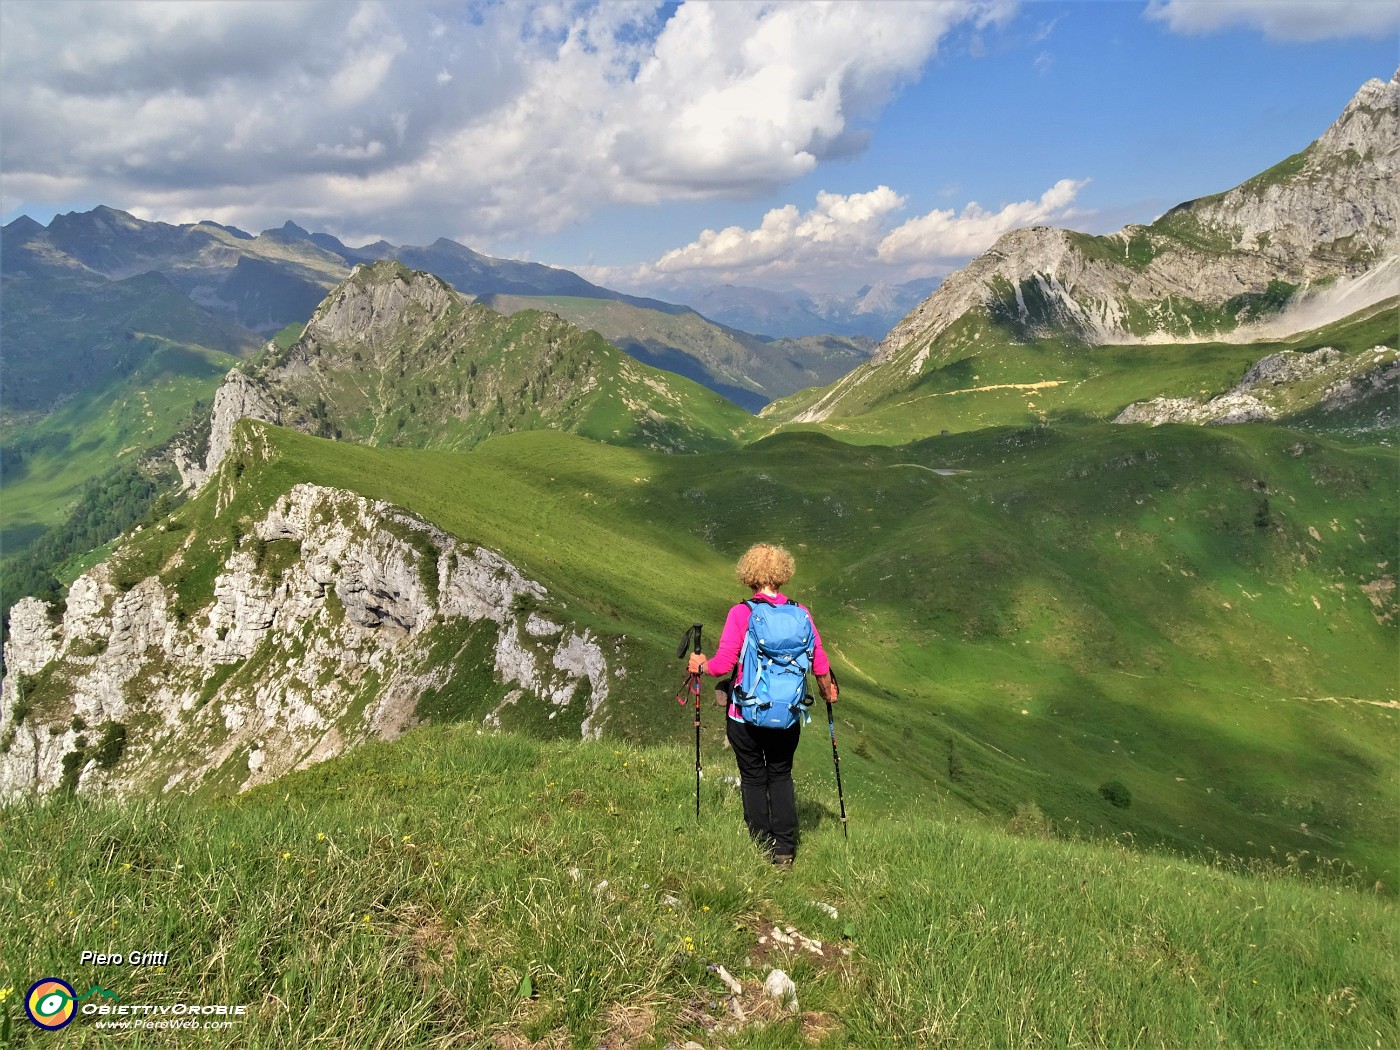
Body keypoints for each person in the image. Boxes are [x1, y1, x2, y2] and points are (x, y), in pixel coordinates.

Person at [687, 542, 838, 865]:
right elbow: (820, 663)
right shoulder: (801, 613)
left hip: (745, 715)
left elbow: (723, 664)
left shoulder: (742, 613)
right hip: (787, 717)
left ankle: (762, 845)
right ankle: (785, 848)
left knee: (754, 777)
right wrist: (827, 691)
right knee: (781, 775)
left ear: (749, 575)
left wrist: (699, 665)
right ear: (783, 574)